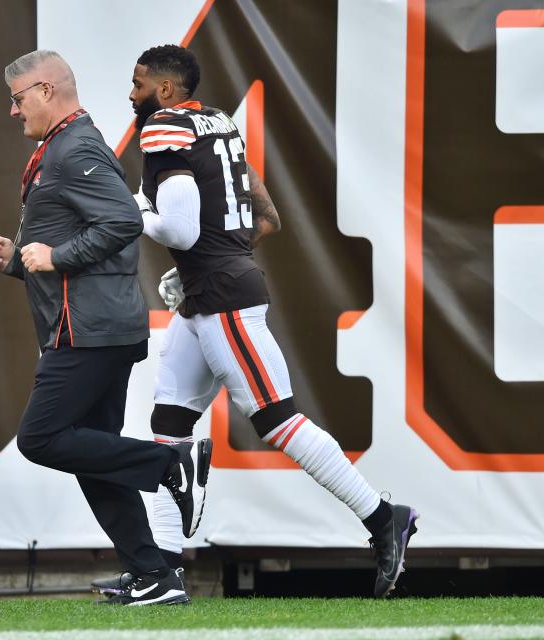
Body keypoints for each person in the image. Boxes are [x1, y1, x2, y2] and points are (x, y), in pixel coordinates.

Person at [94, 44, 418, 599]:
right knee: (169, 426)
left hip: (221, 298)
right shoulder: (218, 121)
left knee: (277, 421)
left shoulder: (164, 126)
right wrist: (219, 256)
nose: (131, 94)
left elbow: (177, 230)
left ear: (166, 90)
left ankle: (383, 517)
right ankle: (163, 571)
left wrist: (131, 210)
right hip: (207, 293)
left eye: (138, 83)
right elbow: (264, 212)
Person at [0, 50, 212, 606]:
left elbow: (124, 221)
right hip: (93, 325)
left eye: (17, 99)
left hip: (89, 331)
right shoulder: (62, 147)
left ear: (45, 91)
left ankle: (172, 466)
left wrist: (56, 256)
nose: (13, 111)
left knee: (41, 439)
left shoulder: (76, 147)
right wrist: (19, 257)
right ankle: (154, 575)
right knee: (94, 454)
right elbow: (74, 240)